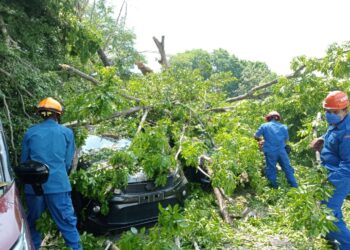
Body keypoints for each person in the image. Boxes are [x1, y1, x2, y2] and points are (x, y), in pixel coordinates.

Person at [21, 97, 82, 250]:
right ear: (58, 115)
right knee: (67, 225)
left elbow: (24, 162)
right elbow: (68, 162)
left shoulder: (30, 133)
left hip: (34, 188)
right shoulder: (67, 133)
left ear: (42, 114)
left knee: (33, 225)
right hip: (58, 186)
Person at [310, 90, 350, 249]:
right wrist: (321, 139)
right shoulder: (337, 123)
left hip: (340, 177)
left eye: (335, 112)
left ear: (345, 110)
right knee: (325, 208)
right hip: (329, 172)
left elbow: (348, 166)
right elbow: (331, 133)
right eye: (328, 111)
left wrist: (330, 180)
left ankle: (346, 244)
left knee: (331, 214)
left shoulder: (348, 132)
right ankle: (331, 238)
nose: (330, 115)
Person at [254, 111, 298, 188]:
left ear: (268, 118)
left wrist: (262, 140)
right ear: (277, 118)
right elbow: (286, 139)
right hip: (282, 151)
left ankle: (274, 189)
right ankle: (295, 187)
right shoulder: (283, 126)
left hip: (270, 151)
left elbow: (256, 136)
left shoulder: (264, 126)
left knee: (271, 169)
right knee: (288, 169)